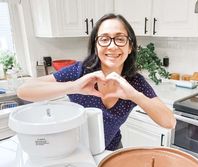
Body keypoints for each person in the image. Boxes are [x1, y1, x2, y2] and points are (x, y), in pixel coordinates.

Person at [17, 13, 176, 151]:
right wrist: (73, 87)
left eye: (120, 39)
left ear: (130, 47)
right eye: (104, 39)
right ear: (95, 46)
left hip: (111, 152)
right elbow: (24, 90)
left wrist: (134, 95)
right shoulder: (80, 72)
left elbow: (169, 122)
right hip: (76, 152)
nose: (112, 46)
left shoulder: (134, 82)